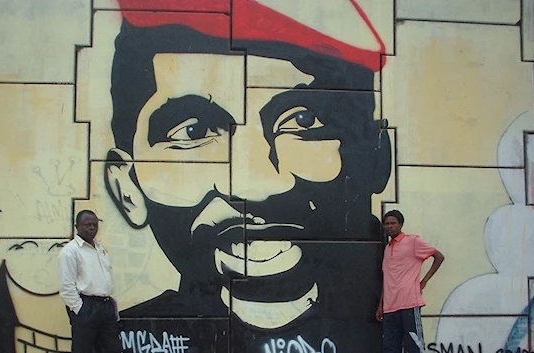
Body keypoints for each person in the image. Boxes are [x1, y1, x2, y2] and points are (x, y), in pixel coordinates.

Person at [104, 1, 392, 351]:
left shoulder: (388, 330)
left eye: (303, 123)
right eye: (193, 132)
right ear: (127, 189)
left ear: (376, 158)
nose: (252, 185)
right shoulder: (137, 338)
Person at [376, 210, 445, 353]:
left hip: (409, 303)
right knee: (390, 348)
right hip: (390, 307)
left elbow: (438, 257)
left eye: (393, 223)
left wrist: (424, 281)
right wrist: (381, 304)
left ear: (400, 224)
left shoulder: (413, 241)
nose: (390, 226)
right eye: (387, 224)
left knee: (414, 346)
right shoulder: (387, 249)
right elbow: (387, 278)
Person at [58, 210, 122, 353]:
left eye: (95, 224)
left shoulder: (100, 248)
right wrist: (79, 309)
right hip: (86, 306)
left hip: (105, 306)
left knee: (114, 348)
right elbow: (66, 286)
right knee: (83, 349)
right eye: (87, 225)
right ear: (77, 227)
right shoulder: (70, 251)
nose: (92, 227)